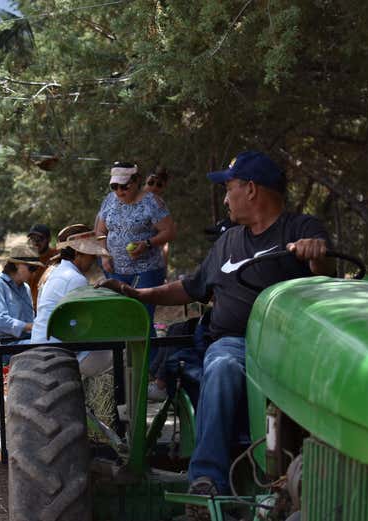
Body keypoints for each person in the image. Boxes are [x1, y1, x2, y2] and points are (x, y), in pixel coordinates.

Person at [97, 151, 333, 520]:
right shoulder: (228, 242)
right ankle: (206, 481)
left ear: (251, 189)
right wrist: (142, 295)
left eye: (229, 188)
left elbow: (325, 275)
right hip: (235, 344)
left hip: (290, 348)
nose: (225, 198)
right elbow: (190, 287)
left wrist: (315, 256)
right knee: (221, 362)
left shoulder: (300, 229)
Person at [96, 162, 177, 337]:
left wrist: (147, 244)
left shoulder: (152, 202)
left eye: (124, 186)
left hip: (146, 270)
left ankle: (149, 363)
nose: (119, 191)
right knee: (121, 317)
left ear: (136, 180)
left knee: (142, 317)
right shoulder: (109, 200)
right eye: (114, 186)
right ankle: (127, 360)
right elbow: (100, 231)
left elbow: (169, 232)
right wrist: (104, 255)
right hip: (115, 270)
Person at [31, 229, 109, 344]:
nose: (94, 258)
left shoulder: (56, 271)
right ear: (77, 254)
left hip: (41, 341)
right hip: (55, 348)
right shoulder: (75, 279)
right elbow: (84, 323)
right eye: (91, 254)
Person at [0, 245, 43, 343]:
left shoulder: (26, 288)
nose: (34, 273)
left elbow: (30, 318)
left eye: (36, 269)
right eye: (32, 268)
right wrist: (29, 326)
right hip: (7, 344)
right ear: (16, 265)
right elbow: (0, 321)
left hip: (25, 340)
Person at [143, 166, 171, 280]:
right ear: (145, 181)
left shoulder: (161, 208)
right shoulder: (130, 199)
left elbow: (165, 242)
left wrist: (164, 267)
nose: (154, 187)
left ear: (164, 187)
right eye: (151, 183)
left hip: (149, 266)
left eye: (159, 185)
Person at [26, 224, 58, 309]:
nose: (36, 242)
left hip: (50, 308)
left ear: (49, 239)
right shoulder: (26, 259)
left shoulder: (57, 256)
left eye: (39, 239)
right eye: (32, 239)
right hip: (31, 309)